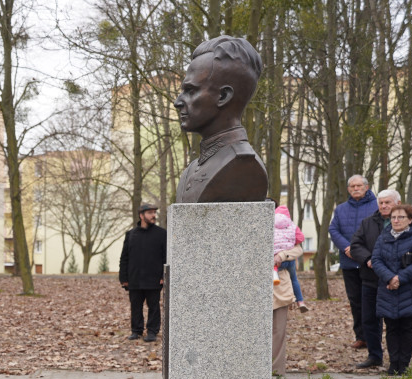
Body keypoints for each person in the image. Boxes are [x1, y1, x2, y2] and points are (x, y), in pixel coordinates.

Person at [174, 36, 268, 203]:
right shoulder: (192, 169)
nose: (178, 102)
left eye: (190, 91)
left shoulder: (242, 166)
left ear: (223, 96)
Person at [370, 203, 412, 375]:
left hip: (411, 290)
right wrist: (390, 278)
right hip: (388, 289)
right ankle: (394, 365)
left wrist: (399, 279)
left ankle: (404, 365)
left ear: (410, 220)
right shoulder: (383, 237)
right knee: (392, 327)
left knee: (408, 327)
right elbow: (376, 260)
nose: (396, 220)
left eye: (401, 217)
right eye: (393, 217)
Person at [350, 189, 400, 369]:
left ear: (397, 204)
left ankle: (397, 360)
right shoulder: (367, 223)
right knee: (369, 319)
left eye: (388, 202)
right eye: (381, 202)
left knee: (394, 321)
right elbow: (355, 245)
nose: (384, 206)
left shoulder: (405, 223)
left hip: (394, 281)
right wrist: (368, 259)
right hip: (370, 279)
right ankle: (374, 356)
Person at [328, 175, 377, 348]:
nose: (356, 188)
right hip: (349, 262)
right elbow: (333, 230)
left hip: (369, 262)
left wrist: (361, 252)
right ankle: (361, 336)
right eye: (352, 186)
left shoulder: (377, 206)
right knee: (355, 300)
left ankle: (373, 338)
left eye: (359, 185)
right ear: (348, 189)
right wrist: (346, 248)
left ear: (366, 187)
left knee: (371, 301)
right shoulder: (341, 209)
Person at [119, 202, 167, 342]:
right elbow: (124, 257)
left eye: (154, 212)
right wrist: (123, 278)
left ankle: (152, 332)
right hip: (135, 278)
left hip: (154, 279)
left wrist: (163, 275)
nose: (153, 215)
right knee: (136, 306)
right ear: (141, 215)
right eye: (150, 213)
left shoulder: (161, 234)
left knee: (154, 307)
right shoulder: (131, 234)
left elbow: (166, 256)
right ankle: (136, 331)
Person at [272, 239, 305, 375]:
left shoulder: (286, 230)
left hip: (280, 290)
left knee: (278, 330)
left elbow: (298, 249)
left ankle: (275, 370)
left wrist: (281, 255)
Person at [273, 206, 308, 313]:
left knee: (275, 272)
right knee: (294, 279)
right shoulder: (292, 226)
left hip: (277, 263)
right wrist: (291, 242)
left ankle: (275, 273)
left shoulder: (270, 225)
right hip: (289, 262)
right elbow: (301, 238)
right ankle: (300, 301)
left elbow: (299, 250)